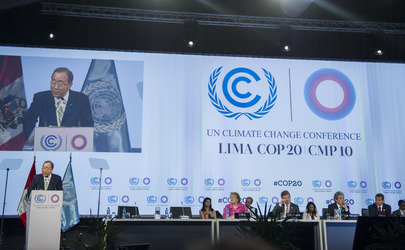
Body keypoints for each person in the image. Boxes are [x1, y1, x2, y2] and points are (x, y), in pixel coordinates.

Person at [23, 67, 94, 140]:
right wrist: (33, 140)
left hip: (72, 143)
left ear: (70, 85)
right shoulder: (40, 98)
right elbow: (29, 121)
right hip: (46, 143)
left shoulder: (81, 99)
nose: (55, 87)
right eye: (53, 82)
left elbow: (88, 125)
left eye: (60, 83)